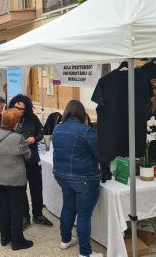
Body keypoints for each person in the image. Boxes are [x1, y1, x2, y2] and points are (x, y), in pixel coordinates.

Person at [52, 100, 101, 257]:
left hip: (62, 175)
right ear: (82, 114)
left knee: (68, 207)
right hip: (84, 178)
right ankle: (85, 253)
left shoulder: (57, 128)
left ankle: (65, 240)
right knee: (84, 215)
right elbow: (101, 154)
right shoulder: (86, 131)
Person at [0, 108, 33, 251]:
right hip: (15, 180)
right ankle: (17, 241)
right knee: (16, 210)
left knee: (3, 208)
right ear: (15, 123)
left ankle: (4, 237)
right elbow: (28, 156)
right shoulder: (18, 138)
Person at [8, 94, 53, 229]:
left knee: (36, 188)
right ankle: (24, 217)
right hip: (17, 160)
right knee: (21, 190)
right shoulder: (9, 119)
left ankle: (38, 215)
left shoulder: (32, 118)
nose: (19, 110)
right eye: (16, 107)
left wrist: (35, 138)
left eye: (22, 109)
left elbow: (41, 133)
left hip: (32, 158)